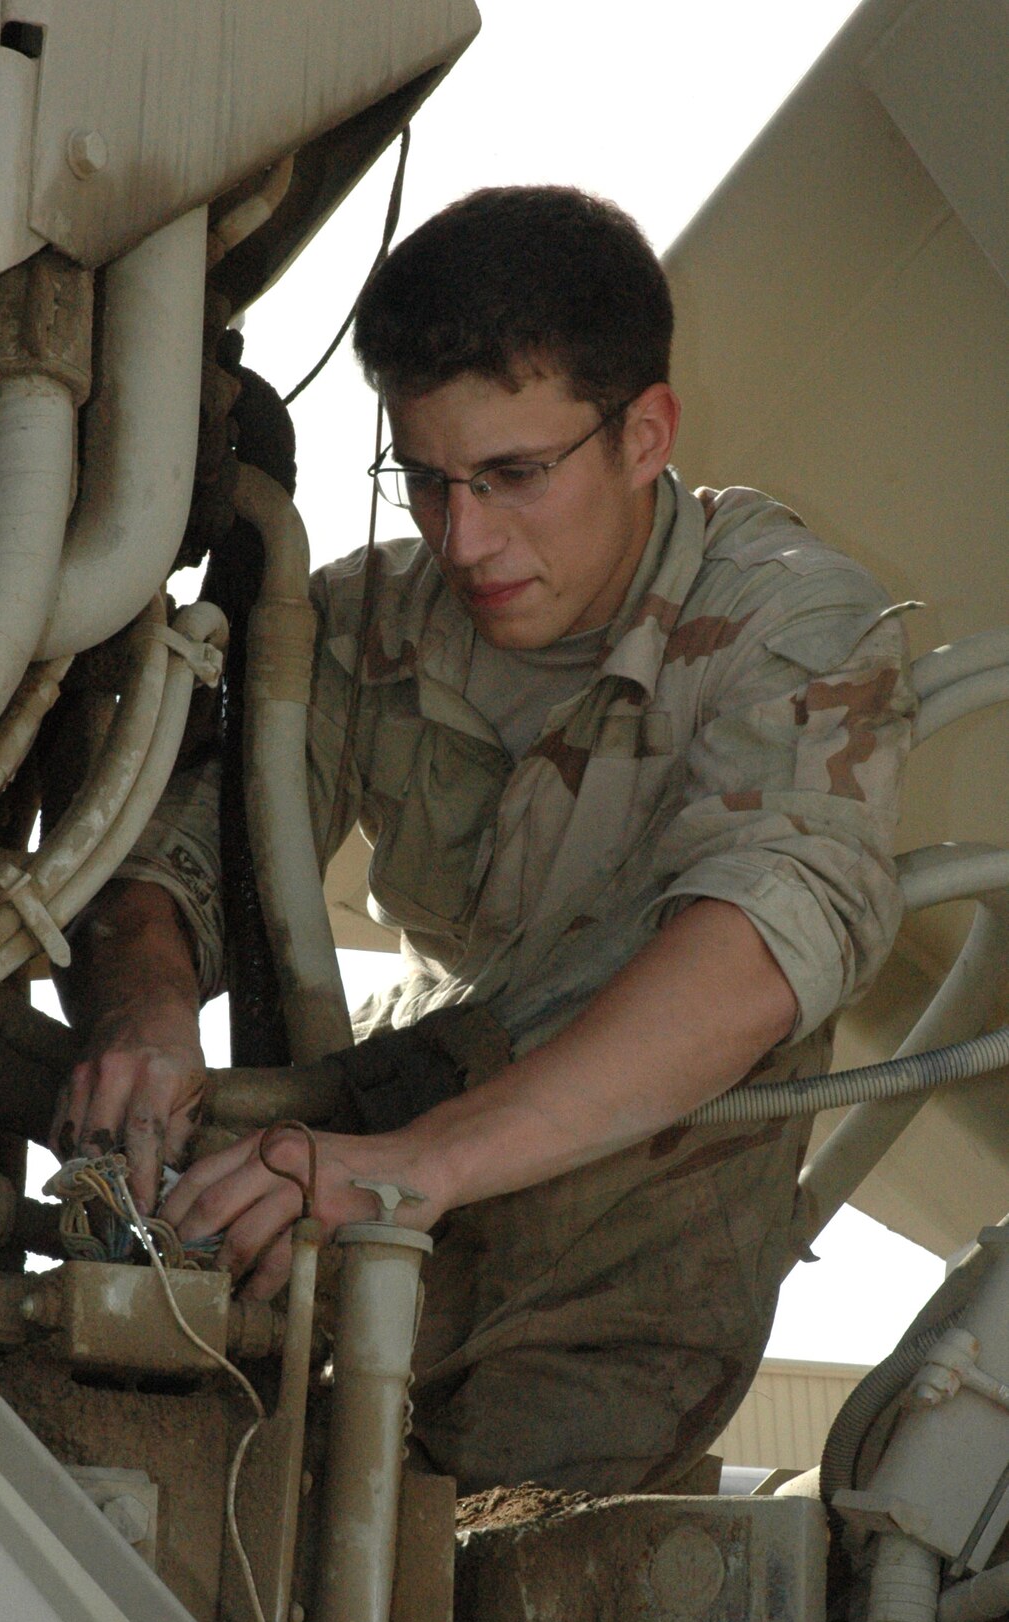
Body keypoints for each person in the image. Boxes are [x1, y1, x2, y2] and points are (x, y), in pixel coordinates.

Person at [57, 186, 914, 1495]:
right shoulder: (360, 627)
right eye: (425, 482)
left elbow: (756, 957)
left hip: (612, 1290)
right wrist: (148, 1012)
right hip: (408, 1178)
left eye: (515, 476)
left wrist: (412, 1168)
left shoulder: (790, 623)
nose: (465, 540)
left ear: (645, 434)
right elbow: (165, 862)